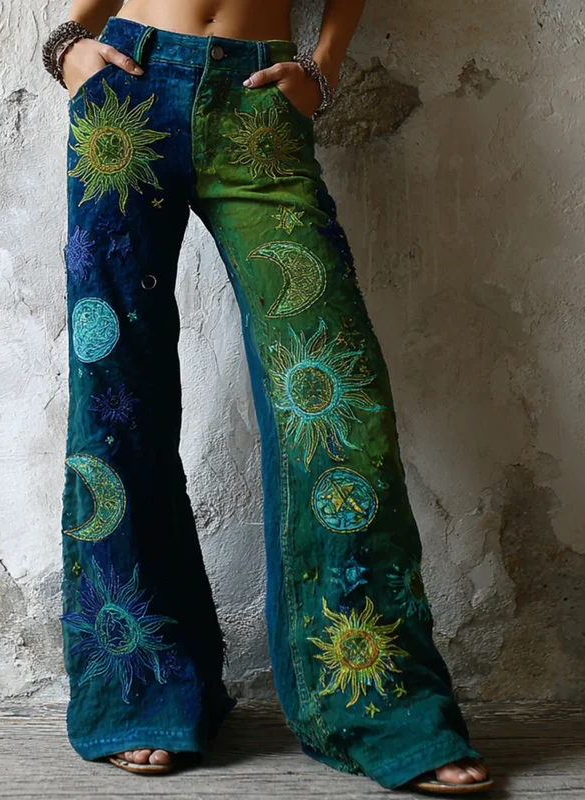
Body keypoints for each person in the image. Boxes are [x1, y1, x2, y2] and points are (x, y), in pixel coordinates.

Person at [42, 0, 494, 794]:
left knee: (335, 396)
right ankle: (141, 690)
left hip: (258, 102)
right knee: (117, 397)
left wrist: (325, 65)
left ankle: (378, 706)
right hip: (127, 91)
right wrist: (66, 48)